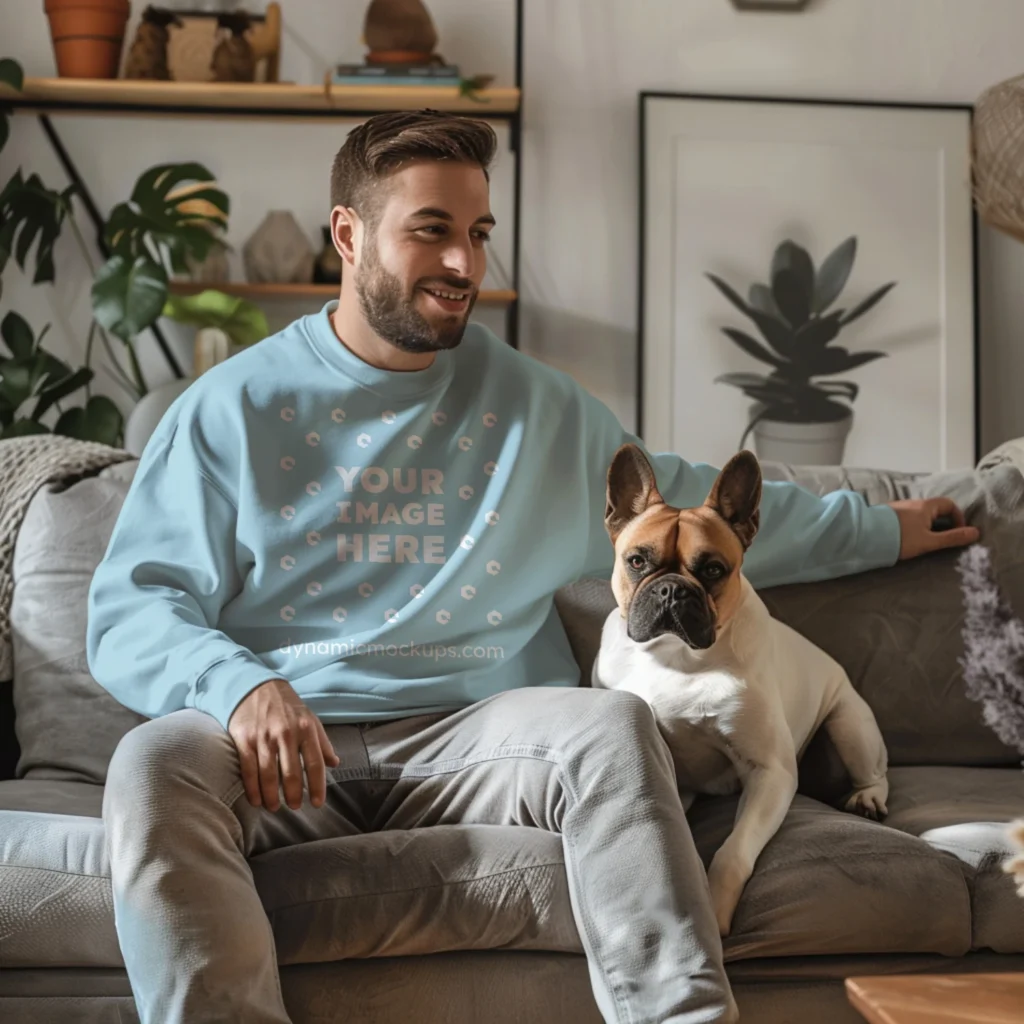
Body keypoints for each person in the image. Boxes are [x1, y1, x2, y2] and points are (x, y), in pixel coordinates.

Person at [87, 108, 979, 1024]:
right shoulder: (230, 409)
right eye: (431, 231)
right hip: (285, 747)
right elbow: (129, 610)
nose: (465, 266)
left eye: (478, 235)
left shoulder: (542, 412)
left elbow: (698, 514)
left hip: (483, 736)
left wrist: (884, 529)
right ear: (348, 237)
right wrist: (237, 688)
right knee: (150, 766)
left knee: (611, 728)